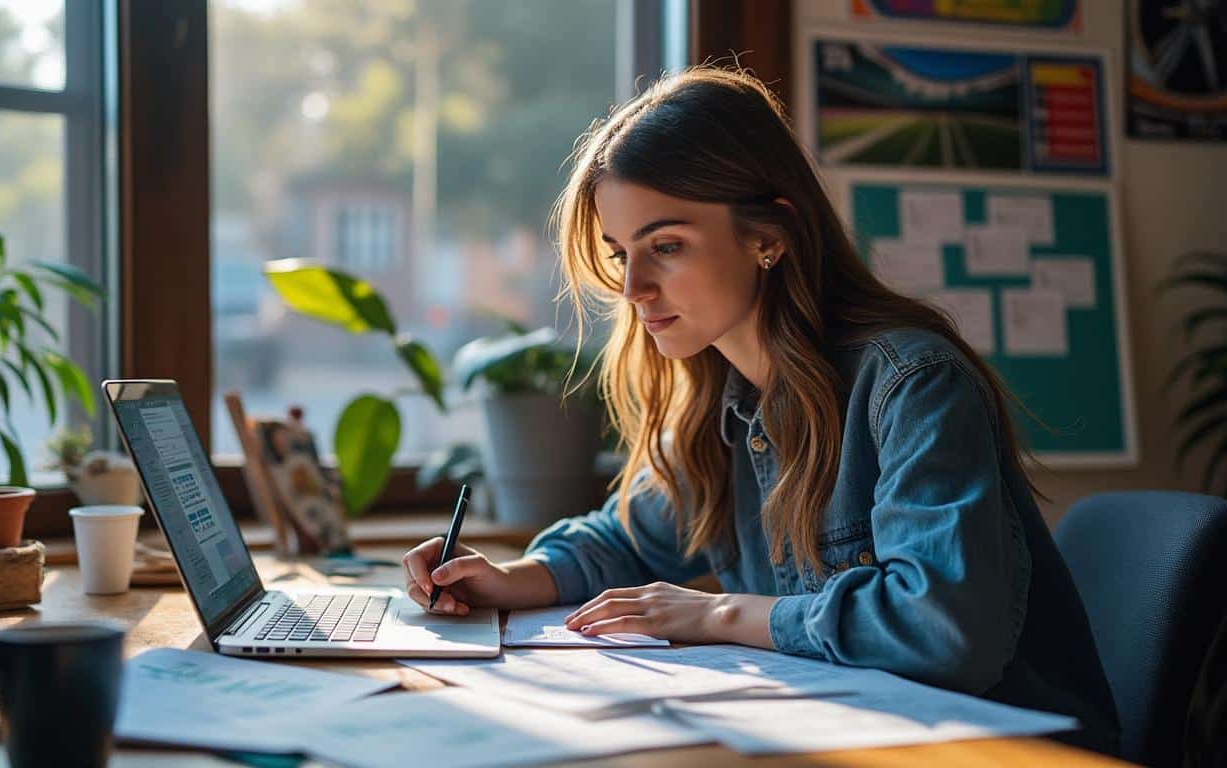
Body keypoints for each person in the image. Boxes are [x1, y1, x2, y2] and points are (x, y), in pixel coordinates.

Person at [402, 65, 1119, 754]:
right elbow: (626, 539)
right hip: (848, 736)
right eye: (622, 255)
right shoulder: (721, 400)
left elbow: (941, 629)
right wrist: (510, 577)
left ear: (768, 237)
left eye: (668, 246)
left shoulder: (912, 385)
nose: (635, 289)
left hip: (1005, 750)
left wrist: (721, 614)